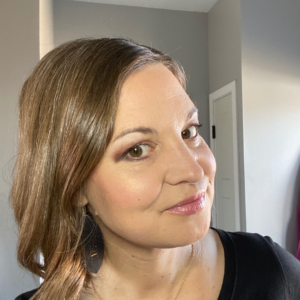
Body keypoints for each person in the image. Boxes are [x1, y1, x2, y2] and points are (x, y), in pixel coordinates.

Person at [12, 38, 300, 300]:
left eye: (189, 132)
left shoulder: (273, 272)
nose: (194, 171)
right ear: (73, 187)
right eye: (137, 150)